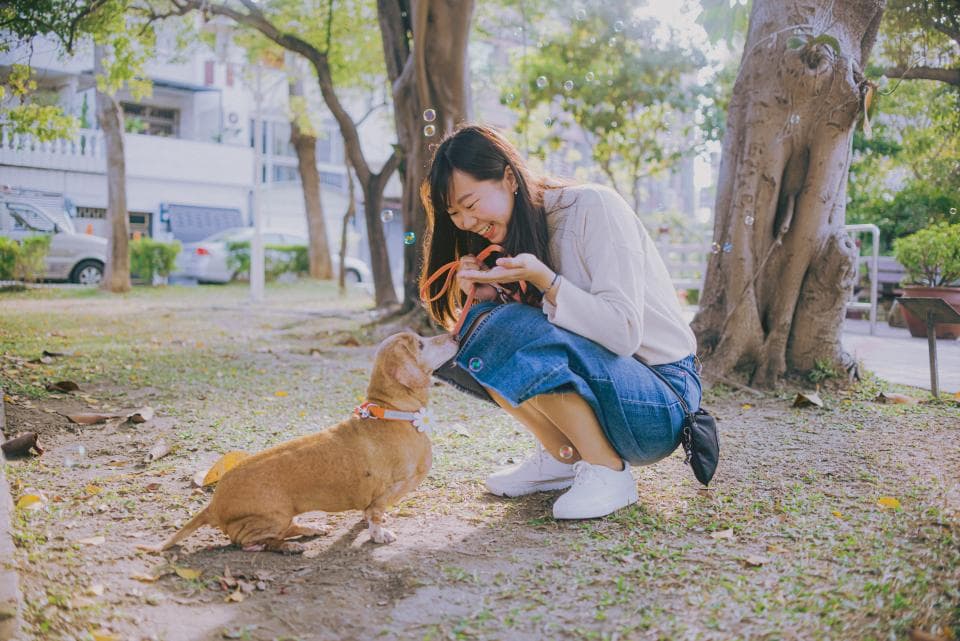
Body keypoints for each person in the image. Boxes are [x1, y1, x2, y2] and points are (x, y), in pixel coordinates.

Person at [420, 124, 701, 520]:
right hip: (612, 386)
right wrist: (489, 297)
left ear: (507, 177)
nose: (467, 222)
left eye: (470, 203)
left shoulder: (592, 207)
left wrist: (545, 281)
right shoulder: (518, 232)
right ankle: (563, 457)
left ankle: (608, 471)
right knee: (479, 324)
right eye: (455, 214)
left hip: (659, 398)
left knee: (503, 327)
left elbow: (622, 333)